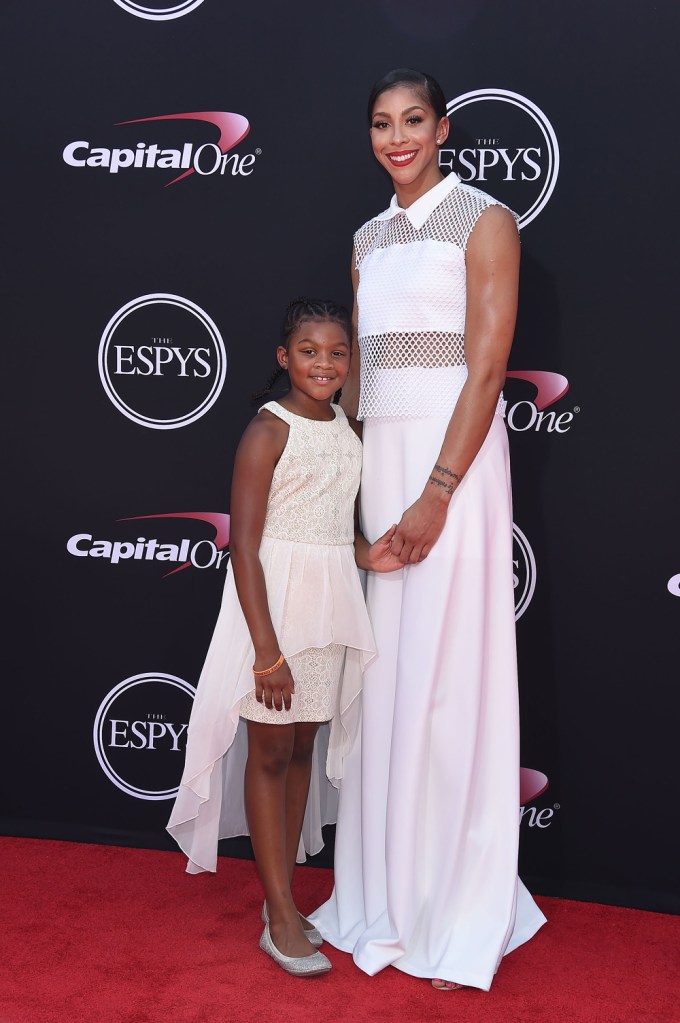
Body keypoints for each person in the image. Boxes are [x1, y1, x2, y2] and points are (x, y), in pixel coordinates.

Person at [309, 69, 547, 991]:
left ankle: (454, 905)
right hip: (386, 472)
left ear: (444, 129)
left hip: (457, 470)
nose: (396, 138)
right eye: (380, 123)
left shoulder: (484, 220)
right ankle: (388, 891)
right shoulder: (368, 237)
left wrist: (439, 491)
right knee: (394, 674)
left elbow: (486, 369)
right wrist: (351, 488)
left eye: (413, 122)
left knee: (450, 677)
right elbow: (363, 382)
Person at [167, 298, 401, 978]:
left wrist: (366, 553)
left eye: (337, 352)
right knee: (270, 753)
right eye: (310, 351)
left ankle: (289, 899)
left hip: (330, 606)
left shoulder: (345, 424)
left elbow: (328, 519)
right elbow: (245, 547)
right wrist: (265, 652)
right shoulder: (267, 431)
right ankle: (275, 915)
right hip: (273, 612)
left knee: (301, 746)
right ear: (283, 357)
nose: (324, 363)